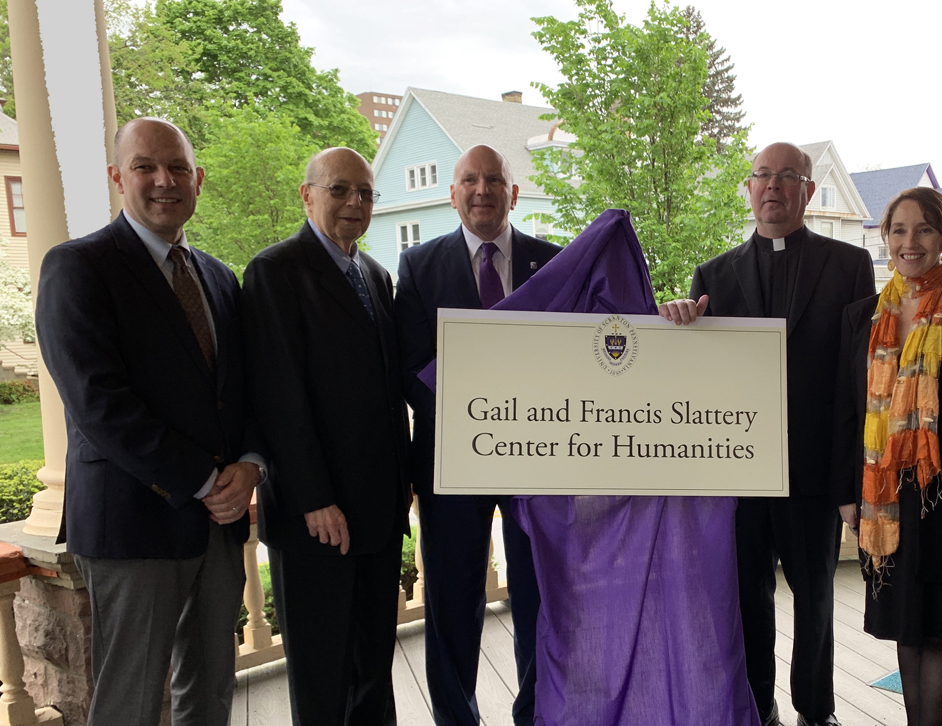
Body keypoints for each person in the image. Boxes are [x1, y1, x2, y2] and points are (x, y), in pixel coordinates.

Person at [34, 117, 265, 725]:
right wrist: (207, 480)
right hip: (132, 523)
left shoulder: (217, 276)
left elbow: (242, 393)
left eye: (178, 168)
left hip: (216, 530)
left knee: (211, 689)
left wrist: (249, 465)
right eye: (145, 167)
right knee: (131, 703)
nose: (164, 181)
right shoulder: (78, 267)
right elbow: (98, 404)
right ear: (118, 177)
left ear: (198, 179)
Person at [660, 141, 875, 726]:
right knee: (747, 598)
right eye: (762, 176)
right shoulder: (713, 275)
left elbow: (858, 381)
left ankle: (815, 710)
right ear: (748, 189)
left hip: (814, 470)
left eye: (787, 177)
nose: (773, 186)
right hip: (739, 472)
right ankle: (758, 708)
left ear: (808, 190)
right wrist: (681, 324)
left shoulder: (849, 267)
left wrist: (850, 478)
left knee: (817, 599)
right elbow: (694, 375)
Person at [242, 147, 411, 726]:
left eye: (365, 193)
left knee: (372, 662)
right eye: (339, 190)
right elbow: (277, 396)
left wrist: (403, 480)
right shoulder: (275, 271)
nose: (353, 203)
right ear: (307, 195)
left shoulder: (374, 274)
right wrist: (314, 496)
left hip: (378, 509)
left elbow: (389, 392)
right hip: (318, 515)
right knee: (321, 672)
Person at [394, 144, 560, 726]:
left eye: (494, 180)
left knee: (541, 600)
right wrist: (487, 412)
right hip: (450, 463)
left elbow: (576, 357)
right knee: (452, 604)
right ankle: (456, 718)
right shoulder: (418, 266)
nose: (482, 190)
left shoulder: (552, 261)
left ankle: (537, 713)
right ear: (453, 193)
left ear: (513, 194)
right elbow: (414, 365)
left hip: (539, 463)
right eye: (470, 180)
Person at [830, 188, 942, 726]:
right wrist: (846, 496)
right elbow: (846, 411)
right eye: (899, 230)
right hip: (884, 497)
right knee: (907, 625)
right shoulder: (861, 316)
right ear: (885, 239)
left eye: (924, 229)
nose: (911, 242)